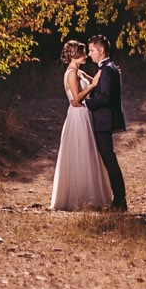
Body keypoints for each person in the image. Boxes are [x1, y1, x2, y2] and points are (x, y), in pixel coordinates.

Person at [49, 41, 112, 211]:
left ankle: (88, 195)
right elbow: (76, 99)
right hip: (77, 115)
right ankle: (78, 197)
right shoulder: (71, 73)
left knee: (88, 151)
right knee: (80, 151)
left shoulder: (80, 72)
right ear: (76, 55)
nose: (86, 56)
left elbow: (97, 84)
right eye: (84, 53)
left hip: (85, 113)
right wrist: (91, 86)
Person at [81, 34, 127, 209]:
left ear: (101, 50)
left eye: (92, 50)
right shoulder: (108, 67)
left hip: (104, 120)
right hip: (104, 119)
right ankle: (118, 199)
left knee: (109, 160)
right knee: (108, 159)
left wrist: (86, 104)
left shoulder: (107, 69)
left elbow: (105, 97)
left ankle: (120, 201)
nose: (90, 54)